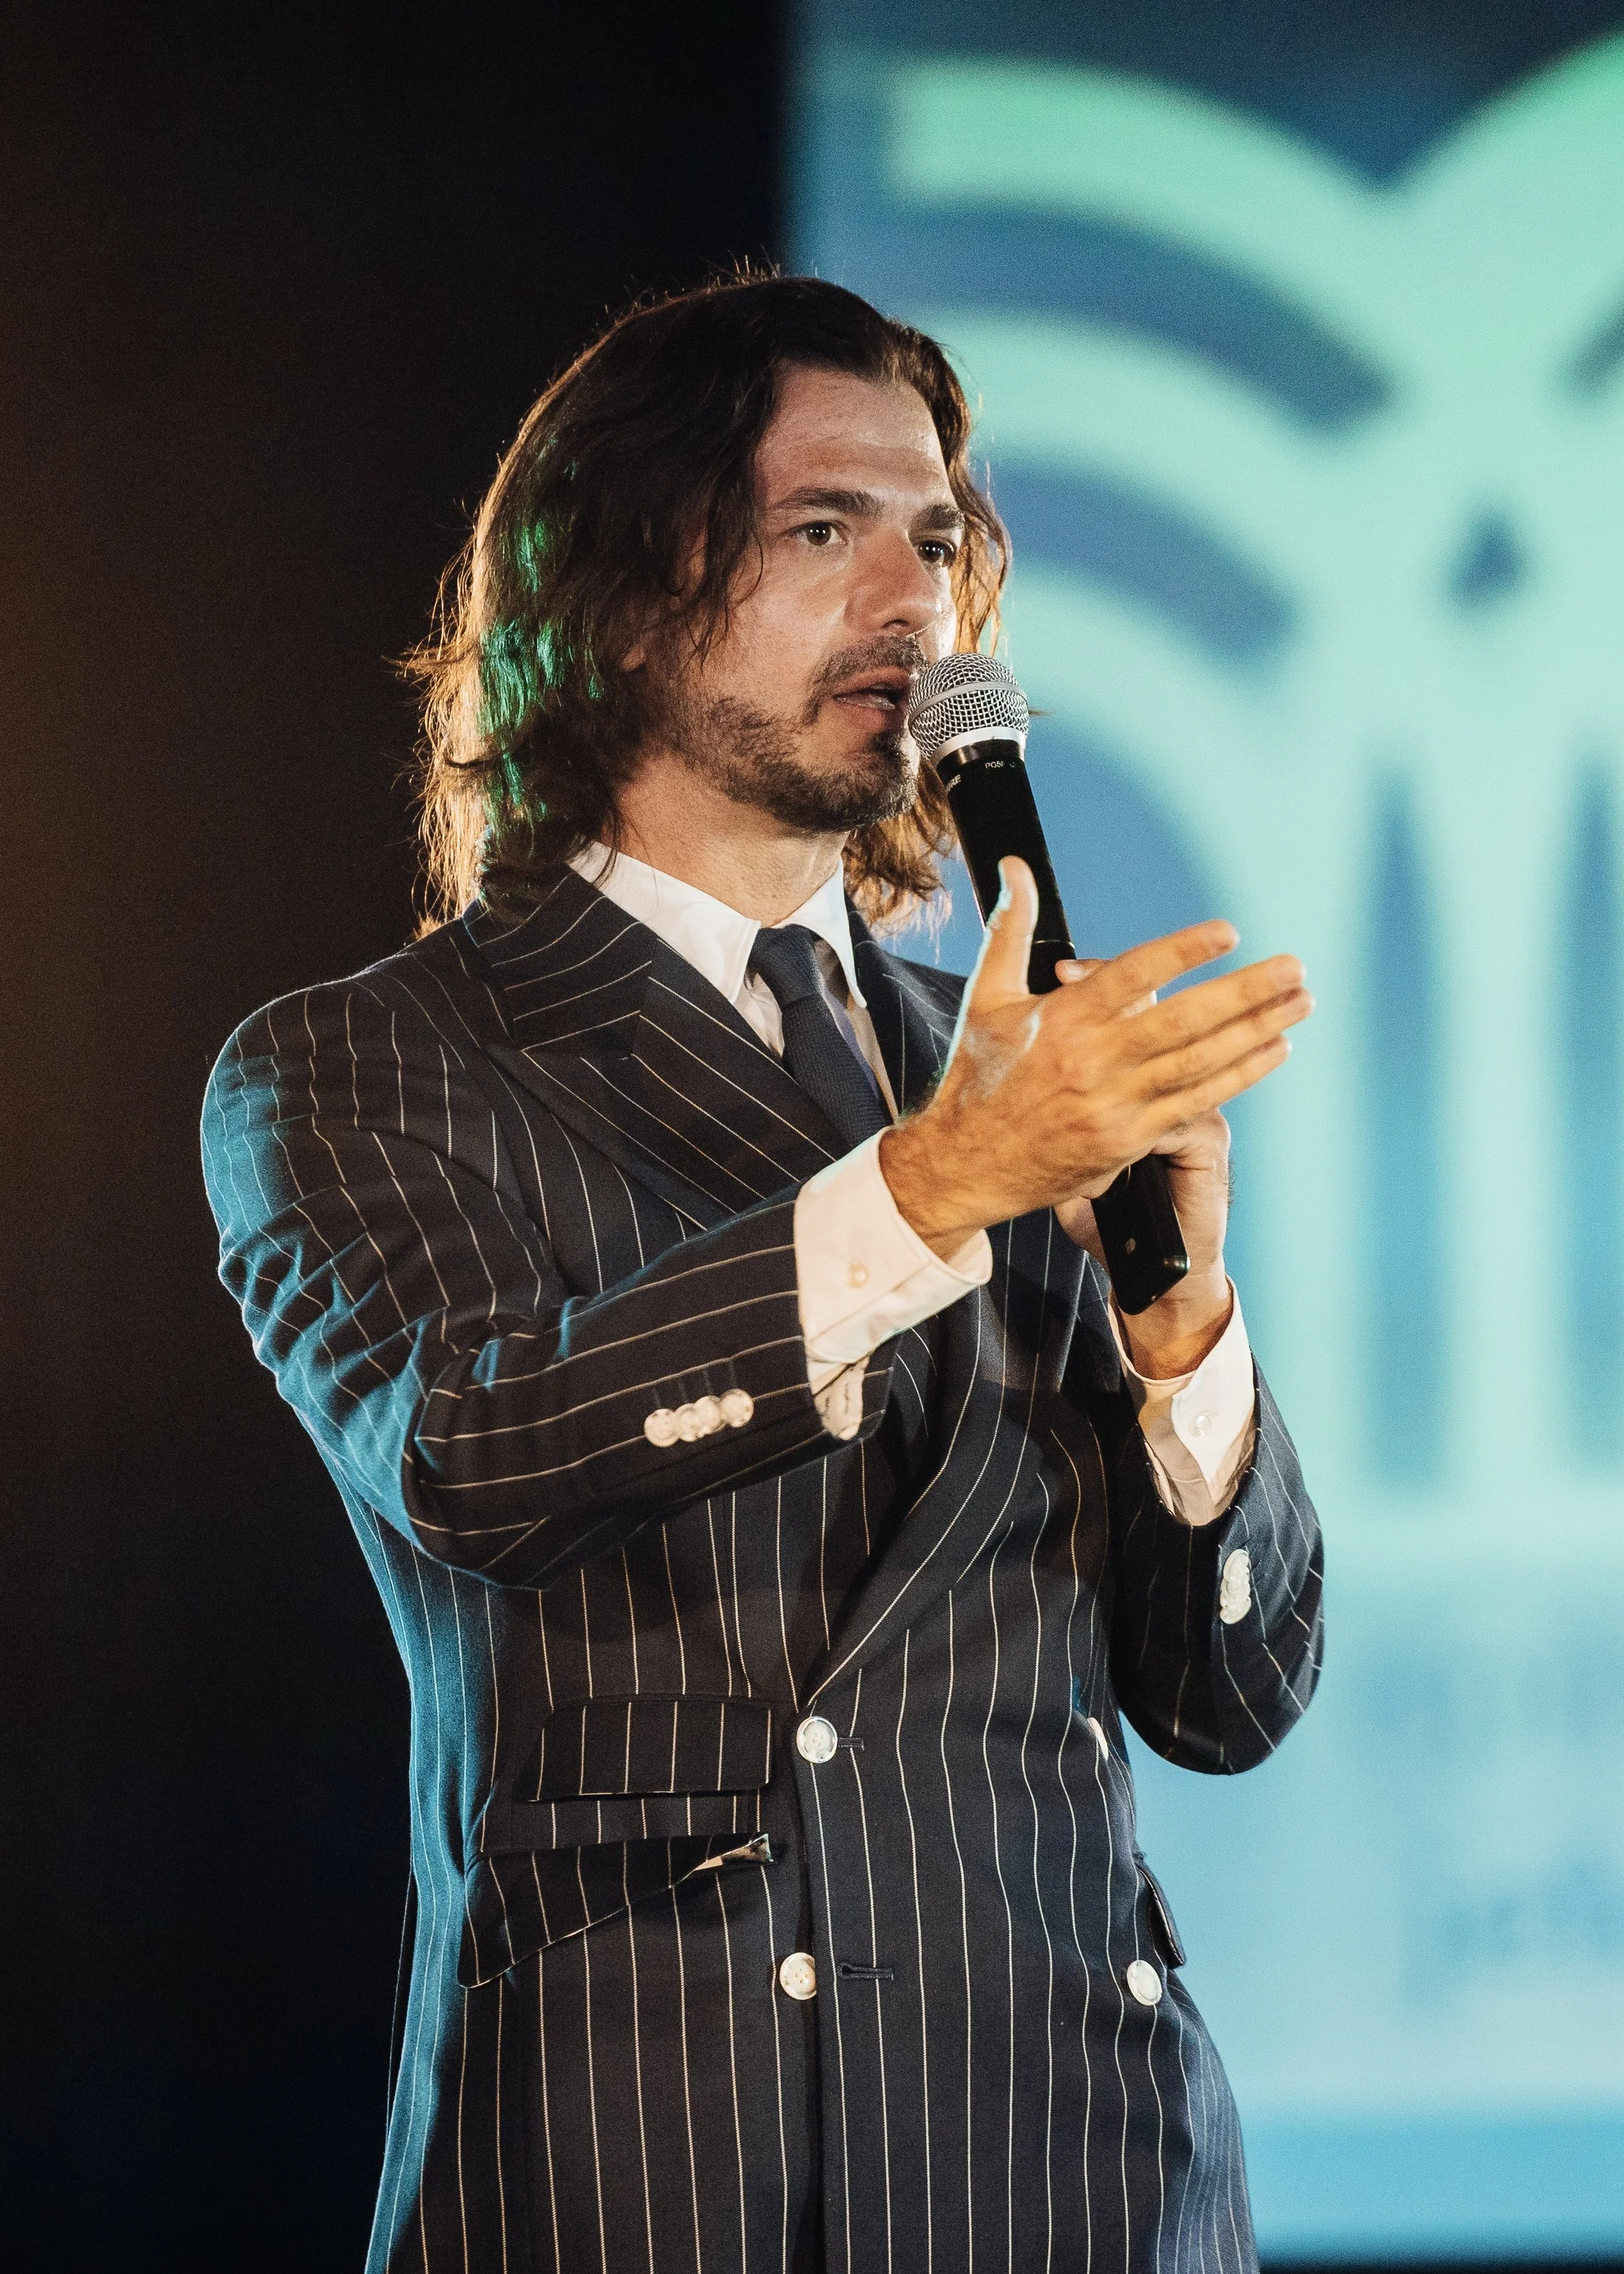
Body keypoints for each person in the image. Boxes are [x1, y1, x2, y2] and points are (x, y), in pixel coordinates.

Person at [202, 273, 1321, 2274]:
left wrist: (1181, 1331)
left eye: (941, 538)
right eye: (827, 531)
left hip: (1079, 2172)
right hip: (667, 2155)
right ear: (622, 596)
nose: (916, 599)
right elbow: (480, 1447)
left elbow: (1228, 1693)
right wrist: (944, 1181)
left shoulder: (979, 1060)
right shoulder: (363, 1063)